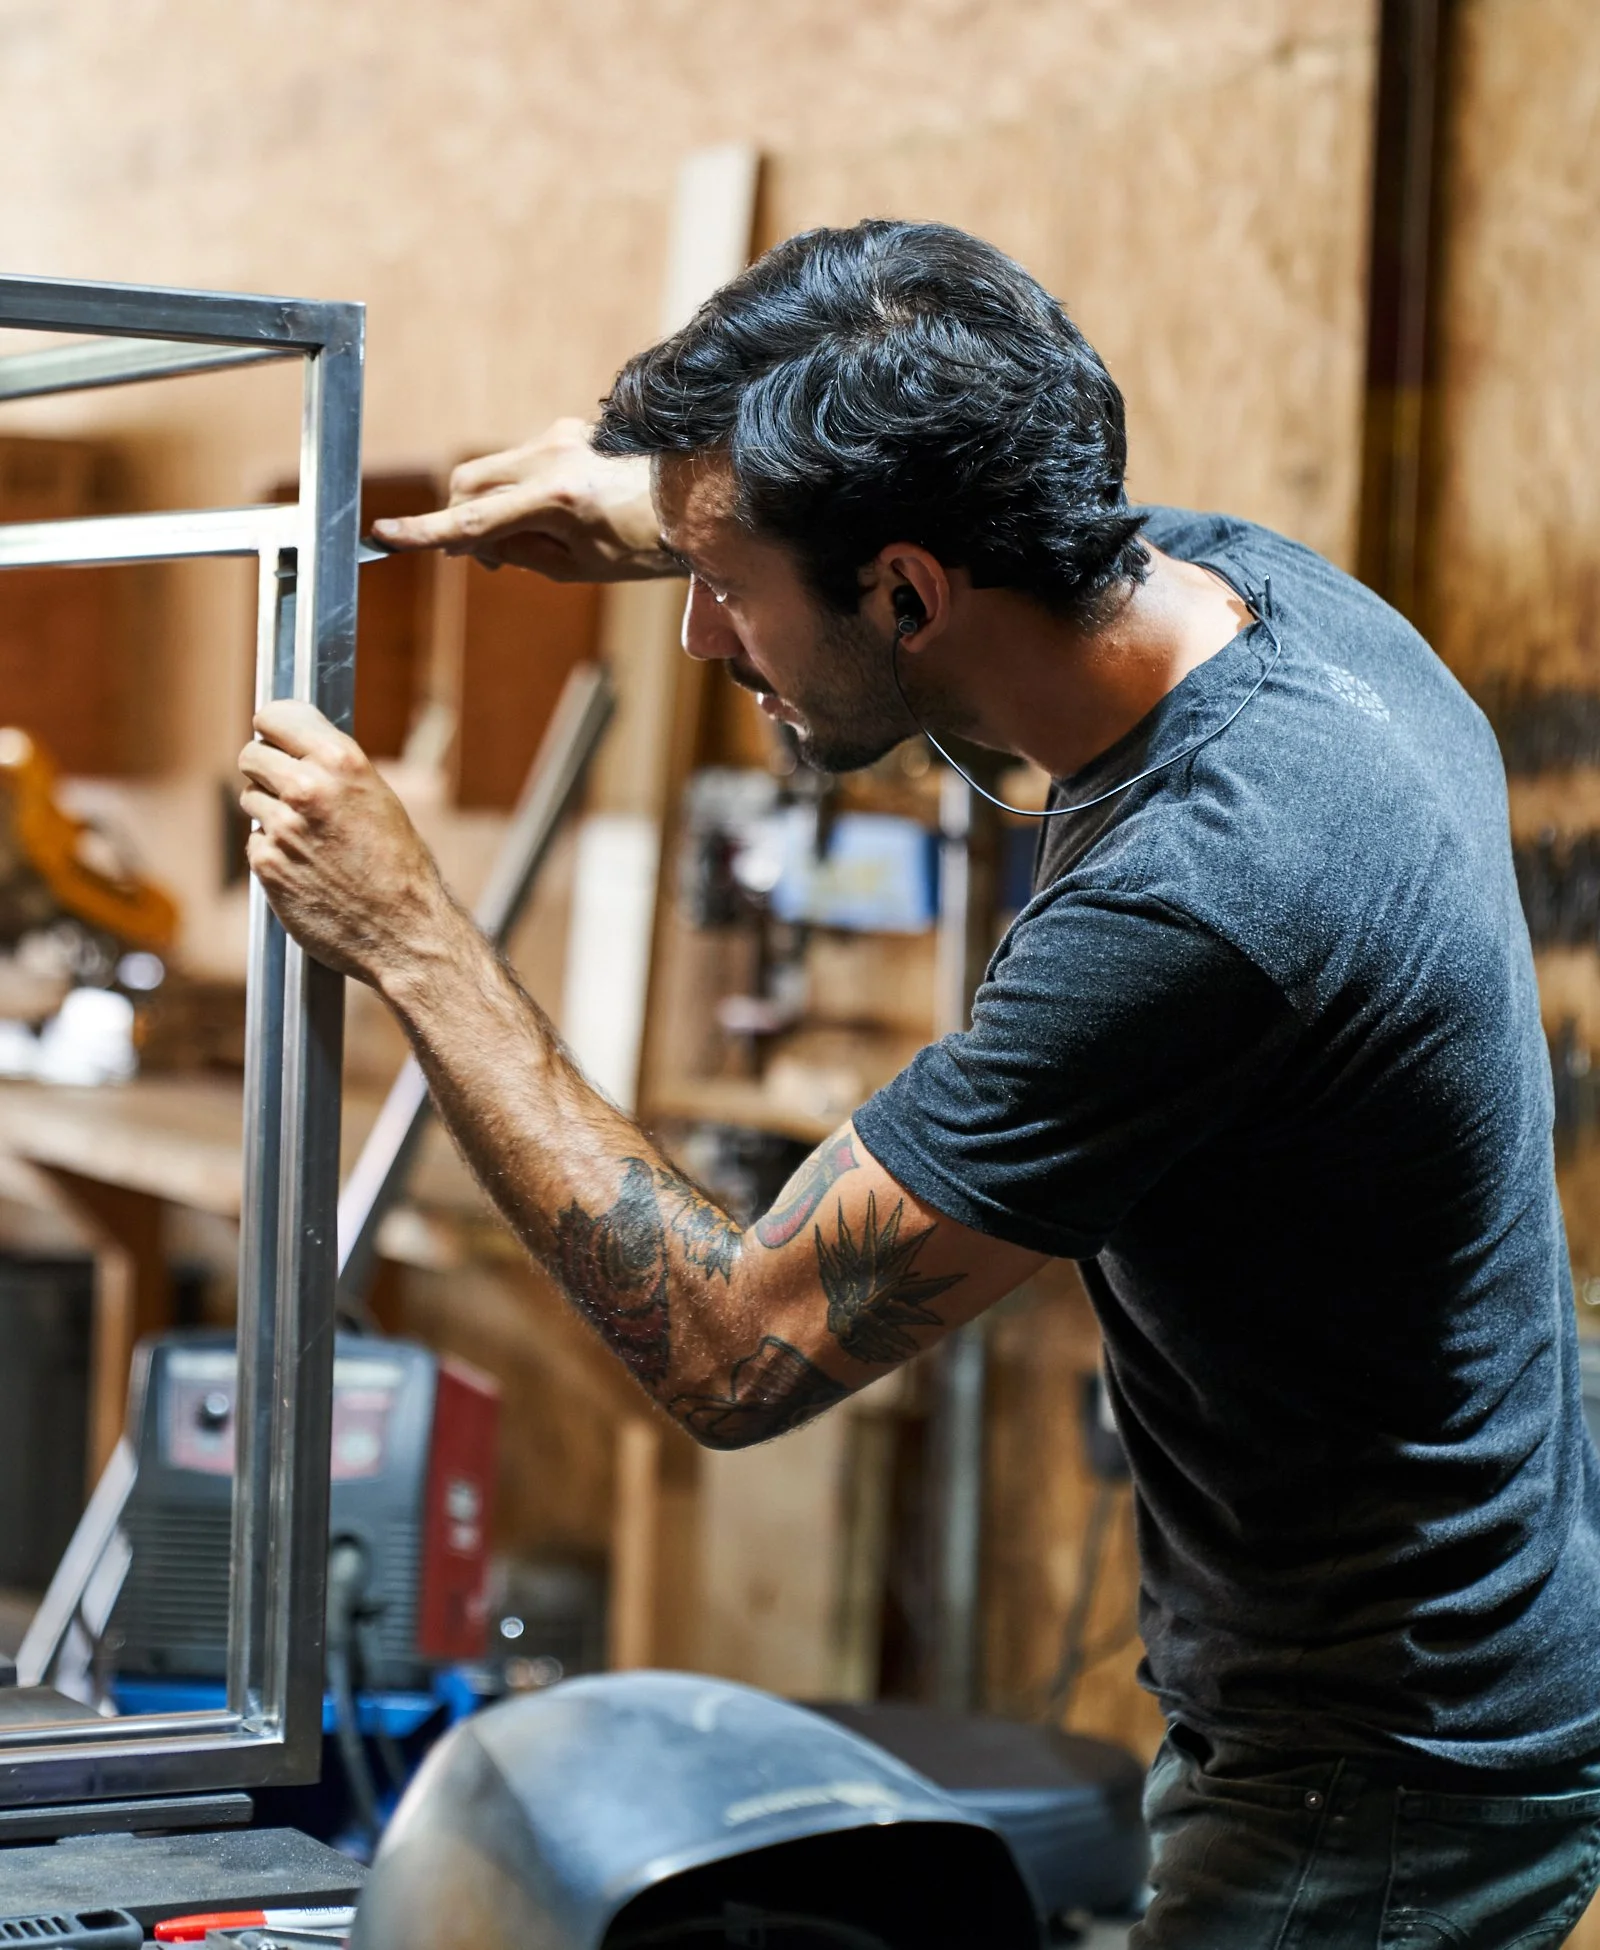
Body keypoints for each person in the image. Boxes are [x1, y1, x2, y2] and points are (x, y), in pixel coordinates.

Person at [239, 220, 1600, 1947]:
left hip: (1388, 1772)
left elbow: (736, 1346)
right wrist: (687, 523)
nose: (698, 640)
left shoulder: (1207, 895)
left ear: (905, 591)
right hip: (1398, 1680)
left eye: (731, 593)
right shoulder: (1248, 595)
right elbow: (927, 497)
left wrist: (416, 941)